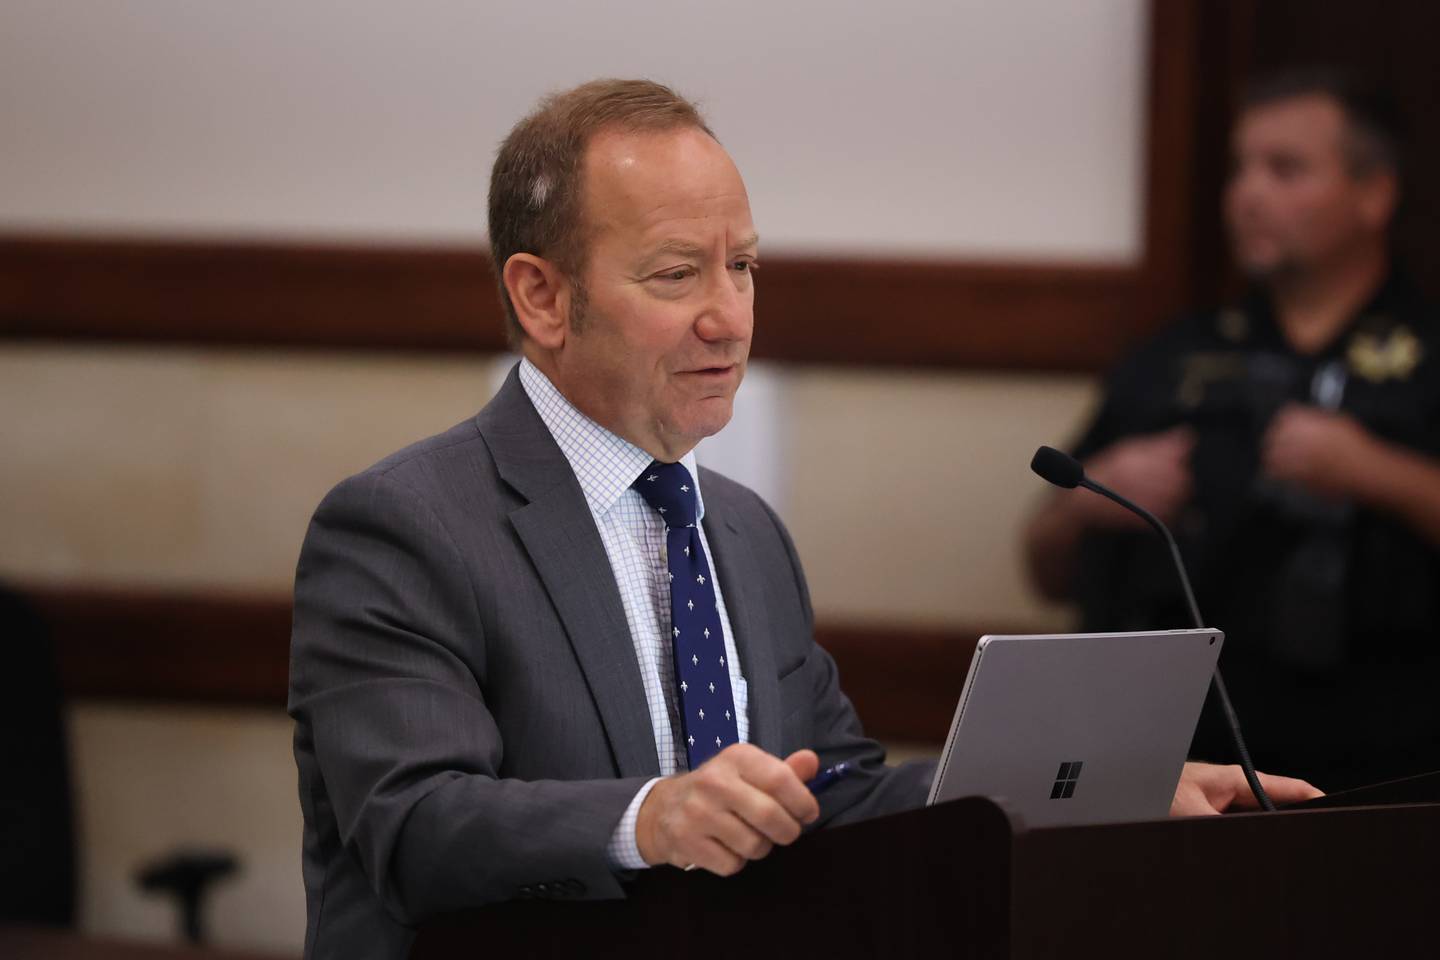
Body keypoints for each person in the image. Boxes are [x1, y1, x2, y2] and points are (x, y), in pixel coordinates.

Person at [290, 79, 1320, 959]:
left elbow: (833, 796)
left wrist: (1097, 790)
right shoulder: (403, 525)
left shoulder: (740, 530)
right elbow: (414, 827)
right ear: (542, 297)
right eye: (676, 273)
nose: (729, 316)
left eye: (742, 266)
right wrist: (650, 817)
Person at [1025, 69, 1440, 792]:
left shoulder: (1428, 354)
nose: (1248, 195)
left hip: (1388, 772)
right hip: (1174, 770)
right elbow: (1042, 563)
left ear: (1374, 193)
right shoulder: (1177, 353)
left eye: (1286, 169)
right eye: (1240, 170)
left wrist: (1377, 473)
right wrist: (1095, 497)